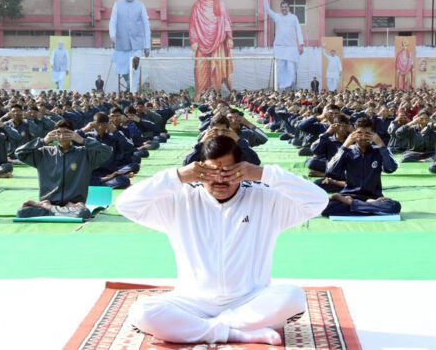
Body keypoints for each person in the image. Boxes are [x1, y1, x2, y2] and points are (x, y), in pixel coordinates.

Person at [116, 135, 328, 345]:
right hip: (192, 302)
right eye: (211, 173)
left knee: (293, 297)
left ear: (243, 169)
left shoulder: (264, 198)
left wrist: (264, 174)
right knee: (141, 312)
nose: (220, 180)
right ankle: (238, 334)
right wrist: (177, 176)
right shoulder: (181, 199)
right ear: (197, 171)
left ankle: (197, 328)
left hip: (250, 301)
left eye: (228, 172)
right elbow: (125, 204)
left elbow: (318, 200)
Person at [15, 119, 113, 219]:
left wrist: (83, 140)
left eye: (66, 133)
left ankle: (49, 210)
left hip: (74, 205)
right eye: (58, 133)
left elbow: (107, 151)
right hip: (51, 202)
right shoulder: (44, 153)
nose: (62, 136)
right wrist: (42, 141)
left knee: (84, 213)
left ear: (73, 134)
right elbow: (19, 153)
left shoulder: (85, 154)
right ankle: (54, 209)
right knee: (21, 212)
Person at [321, 118, 401, 216]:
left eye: (367, 134)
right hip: (349, 195)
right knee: (326, 208)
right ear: (353, 133)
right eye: (359, 133)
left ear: (374, 135)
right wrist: (345, 145)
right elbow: (330, 171)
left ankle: (353, 204)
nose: (363, 137)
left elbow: (391, 169)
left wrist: (381, 144)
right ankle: (368, 207)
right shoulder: (347, 151)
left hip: (373, 197)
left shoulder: (379, 151)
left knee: (394, 206)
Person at [189, 0, 233, 100]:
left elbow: (226, 22)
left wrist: (229, 38)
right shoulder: (197, 5)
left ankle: (216, 97)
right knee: (200, 70)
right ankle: (201, 96)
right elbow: (192, 24)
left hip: (218, 42)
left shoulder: (220, 4)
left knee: (216, 70)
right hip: (201, 44)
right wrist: (193, 40)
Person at [109, 0, 151, 92]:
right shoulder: (117, 4)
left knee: (135, 68)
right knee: (123, 69)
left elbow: (146, 25)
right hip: (122, 43)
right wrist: (112, 34)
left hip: (137, 44)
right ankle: (129, 83)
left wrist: (147, 46)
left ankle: (133, 92)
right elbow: (112, 21)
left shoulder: (141, 5)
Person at [263, 0, 304, 91]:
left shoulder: (293, 18)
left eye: (286, 7)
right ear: (280, 8)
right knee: (280, 68)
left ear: (289, 8)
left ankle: (289, 86)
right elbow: (267, 10)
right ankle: (281, 87)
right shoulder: (277, 16)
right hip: (279, 47)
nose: (284, 8)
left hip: (291, 47)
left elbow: (298, 31)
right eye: (282, 7)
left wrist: (301, 45)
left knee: (290, 67)